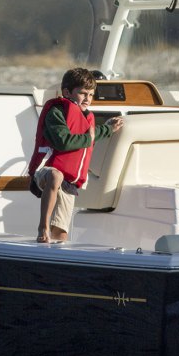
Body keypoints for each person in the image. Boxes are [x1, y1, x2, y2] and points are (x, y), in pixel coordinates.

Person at [28, 67, 124, 243]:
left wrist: (109, 128)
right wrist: (102, 131)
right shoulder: (56, 112)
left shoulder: (86, 117)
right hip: (46, 172)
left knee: (61, 235)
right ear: (67, 92)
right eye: (82, 93)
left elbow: (90, 137)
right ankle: (43, 226)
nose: (87, 98)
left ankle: (55, 257)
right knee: (55, 175)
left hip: (68, 183)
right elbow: (64, 142)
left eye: (91, 94)